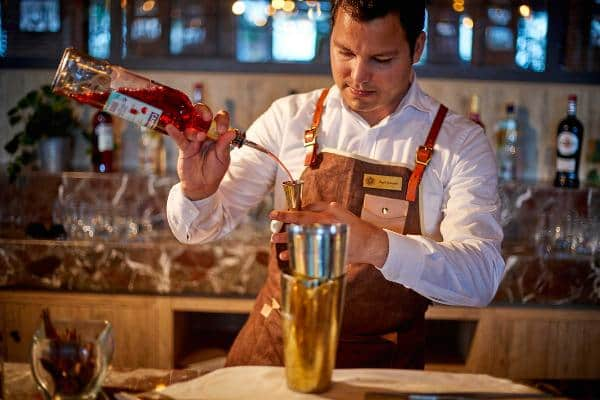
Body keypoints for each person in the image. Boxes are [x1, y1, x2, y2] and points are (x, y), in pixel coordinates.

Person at [166, 0, 504, 369]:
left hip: (382, 368)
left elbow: (481, 277)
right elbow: (197, 230)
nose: (358, 76)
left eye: (382, 60)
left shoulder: (460, 143)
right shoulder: (288, 119)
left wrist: (375, 245)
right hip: (274, 357)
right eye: (345, 52)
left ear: (417, 48)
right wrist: (198, 193)